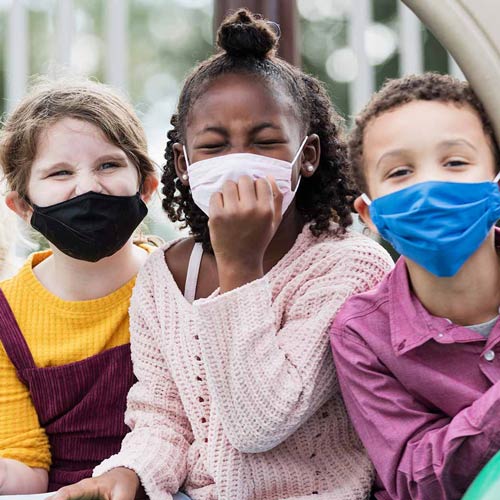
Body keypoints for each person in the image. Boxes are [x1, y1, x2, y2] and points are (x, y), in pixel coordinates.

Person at [52, 9, 393, 500]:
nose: (238, 163)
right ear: (183, 164)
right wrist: (127, 473)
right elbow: (162, 419)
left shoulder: (350, 268)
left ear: (309, 155)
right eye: (214, 146)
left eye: (265, 142)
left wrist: (239, 266)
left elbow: (261, 422)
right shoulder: (165, 275)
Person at [330, 72, 500, 499]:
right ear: (370, 215)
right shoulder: (361, 334)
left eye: (455, 162)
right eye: (400, 171)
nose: (427, 186)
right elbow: (415, 480)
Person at [0, 77, 159, 494]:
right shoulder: (5, 318)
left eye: (108, 165)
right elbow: (25, 466)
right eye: (60, 172)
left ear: (147, 185)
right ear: (22, 206)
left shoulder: (183, 281)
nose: (88, 187)